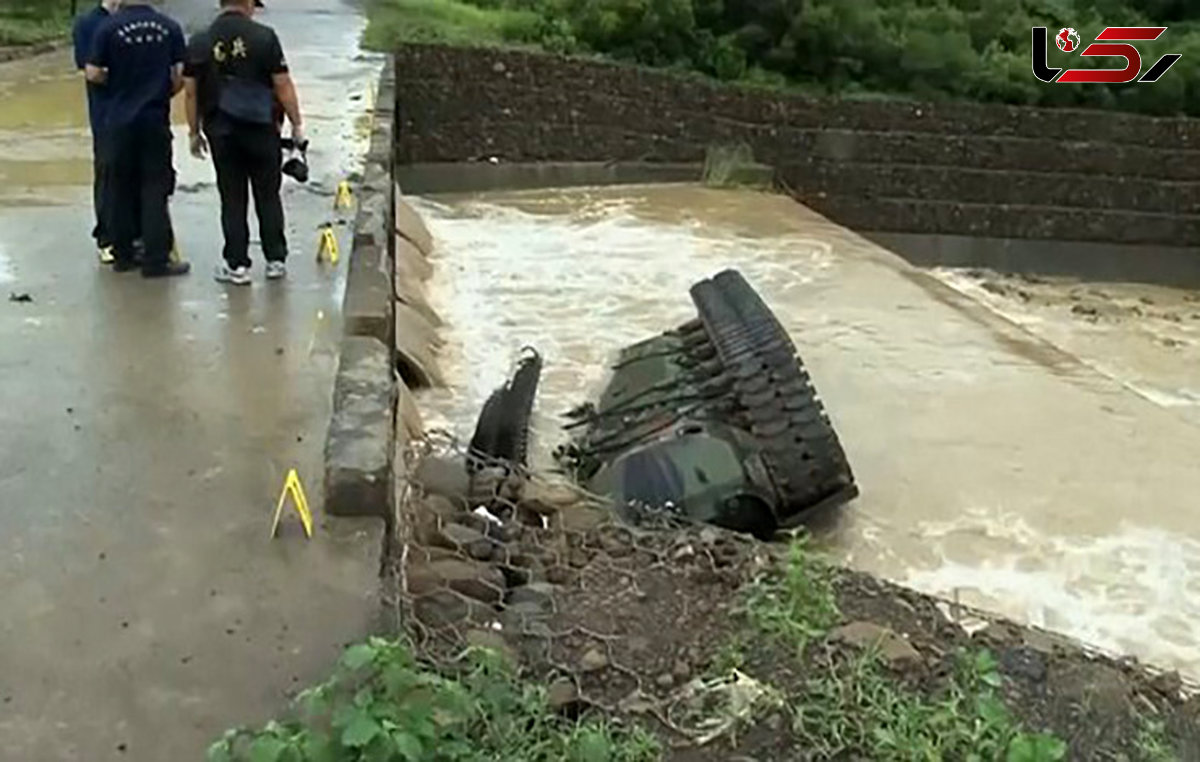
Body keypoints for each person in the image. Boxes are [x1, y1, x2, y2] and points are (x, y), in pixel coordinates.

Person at [183, 0, 304, 286]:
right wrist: (297, 124)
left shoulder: (201, 40)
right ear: (248, 3)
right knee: (268, 194)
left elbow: (190, 93)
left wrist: (193, 132)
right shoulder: (265, 37)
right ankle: (276, 260)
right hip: (262, 128)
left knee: (232, 197)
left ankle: (237, 265)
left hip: (221, 132)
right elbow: (283, 84)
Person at [86, 0, 190, 278]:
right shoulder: (169, 27)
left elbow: (93, 72)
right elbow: (181, 76)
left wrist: (119, 87)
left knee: (120, 187)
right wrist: (160, 93)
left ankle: (123, 256)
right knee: (155, 189)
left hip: (118, 122)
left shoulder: (107, 27)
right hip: (154, 120)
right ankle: (156, 260)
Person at [72, 0, 120, 264]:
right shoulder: (87, 24)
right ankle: (107, 237)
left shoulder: (134, 20)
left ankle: (135, 233)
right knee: (107, 171)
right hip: (105, 112)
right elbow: (90, 70)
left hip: (137, 113)